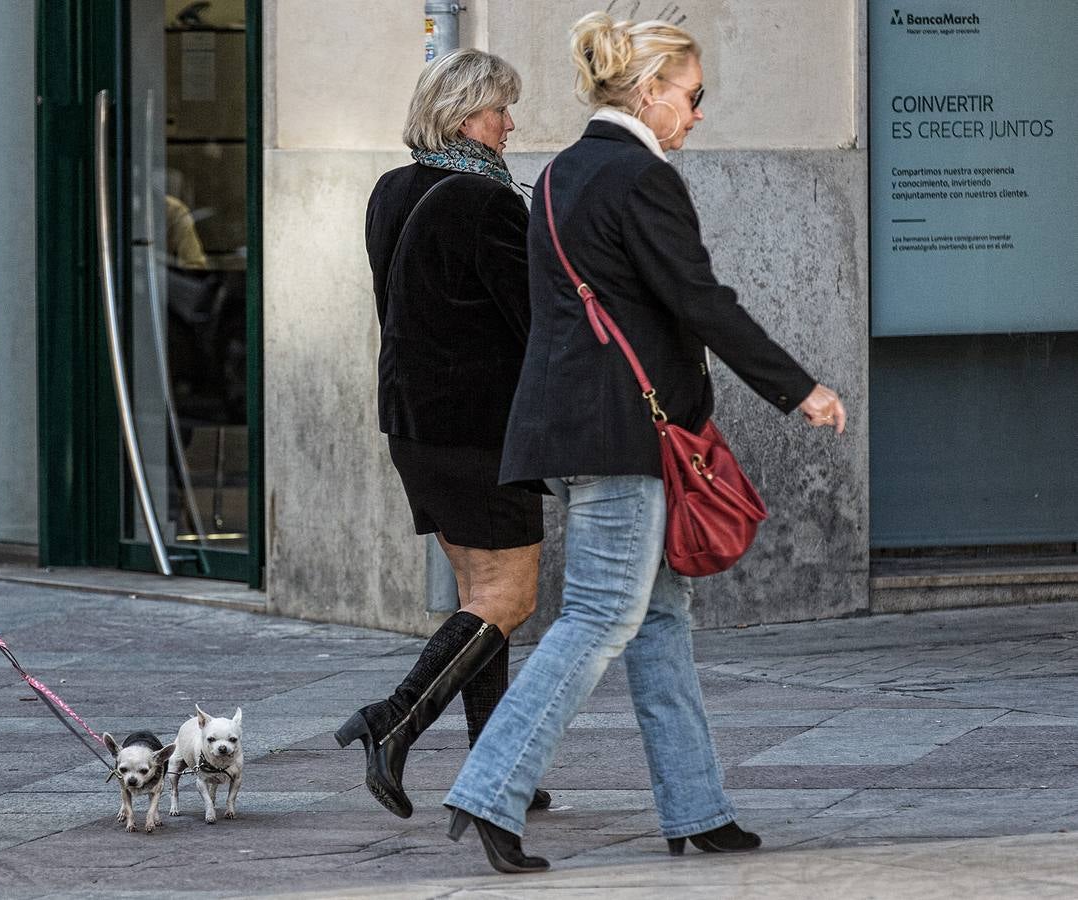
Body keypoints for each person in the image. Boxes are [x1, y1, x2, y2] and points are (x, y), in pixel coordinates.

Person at [441, 12, 847, 873]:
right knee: (598, 616)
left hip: (579, 425)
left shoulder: (558, 174)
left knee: (658, 619)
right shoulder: (639, 177)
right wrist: (798, 387)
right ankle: (489, 790)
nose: (699, 113)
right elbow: (700, 300)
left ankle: (696, 807)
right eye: (694, 96)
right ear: (653, 90)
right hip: (627, 432)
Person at [339, 48, 550, 819]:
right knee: (511, 596)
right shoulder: (489, 202)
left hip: (414, 426)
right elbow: (535, 328)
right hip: (480, 432)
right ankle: (392, 723)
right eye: (501, 110)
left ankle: (498, 769)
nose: (510, 124)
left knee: (478, 597)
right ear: (466, 117)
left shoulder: (390, 190)